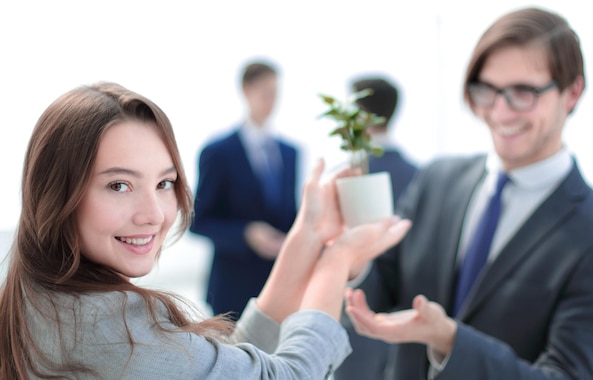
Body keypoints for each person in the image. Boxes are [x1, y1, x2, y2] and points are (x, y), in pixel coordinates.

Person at [0, 82, 412, 379]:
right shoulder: (112, 331)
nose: (155, 214)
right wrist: (336, 260)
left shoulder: (41, 291)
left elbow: (222, 367)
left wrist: (307, 236)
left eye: (164, 183)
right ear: (55, 193)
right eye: (119, 185)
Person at [344, 7, 593, 380]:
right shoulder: (437, 179)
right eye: (486, 91)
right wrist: (355, 258)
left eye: (523, 92)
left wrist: (450, 340)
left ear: (572, 92)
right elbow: (382, 286)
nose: (500, 112)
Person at [190, 59, 299, 319]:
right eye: (265, 92)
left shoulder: (290, 153)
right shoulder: (218, 152)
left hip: (280, 285)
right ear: (246, 90)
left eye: (275, 92)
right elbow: (199, 221)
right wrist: (247, 233)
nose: (271, 100)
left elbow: (290, 213)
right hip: (232, 290)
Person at [335, 76, 419, 380]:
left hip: (354, 318)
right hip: (407, 322)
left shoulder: (344, 179)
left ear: (359, 116)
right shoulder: (421, 177)